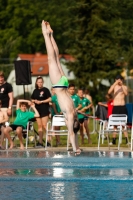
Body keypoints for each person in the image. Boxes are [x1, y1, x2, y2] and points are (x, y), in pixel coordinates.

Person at [41, 20, 80, 153]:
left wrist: (77, 147)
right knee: (52, 59)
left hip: (64, 83)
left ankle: (50, 35)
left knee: (56, 58)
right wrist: (76, 149)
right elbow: (72, 134)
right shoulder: (70, 114)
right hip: (59, 84)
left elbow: (73, 132)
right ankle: (46, 35)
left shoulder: (73, 112)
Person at [31, 76, 51, 147]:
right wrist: (35, 101)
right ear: (36, 82)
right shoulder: (35, 91)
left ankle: (48, 141)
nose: (40, 83)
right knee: (39, 126)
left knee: (44, 125)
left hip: (44, 109)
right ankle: (40, 142)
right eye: (38, 82)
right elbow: (32, 99)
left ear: (43, 82)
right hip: (37, 110)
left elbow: (49, 99)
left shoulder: (45, 90)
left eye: (41, 82)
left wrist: (42, 101)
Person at [108, 74, 128, 145]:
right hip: (116, 107)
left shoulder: (124, 87)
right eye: (117, 79)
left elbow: (126, 93)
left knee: (123, 124)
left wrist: (121, 85)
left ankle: (127, 140)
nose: (119, 81)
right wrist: (115, 83)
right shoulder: (114, 87)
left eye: (120, 79)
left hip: (122, 106)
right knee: (115, 124)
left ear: (122, 80)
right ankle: (114, 140)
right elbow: (109, 92)